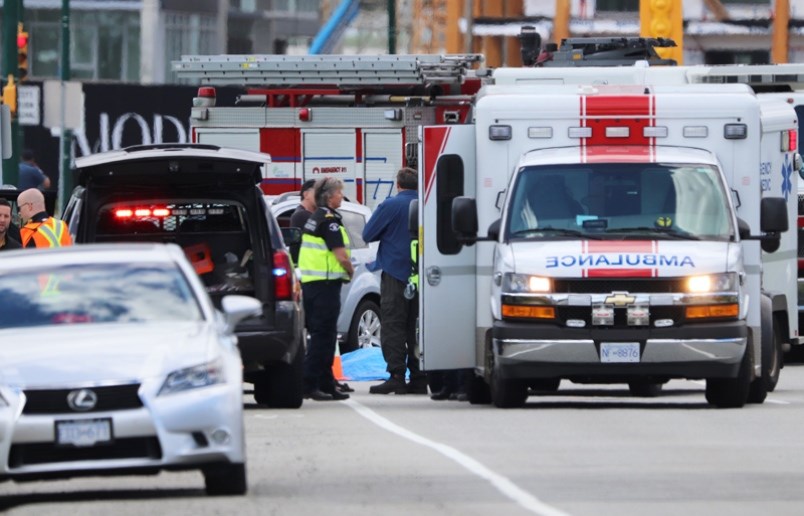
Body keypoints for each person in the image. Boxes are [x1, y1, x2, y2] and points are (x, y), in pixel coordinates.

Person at [363, 167, 427, 395]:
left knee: (393, 325)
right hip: (424, 277)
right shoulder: (427, 204)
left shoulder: (390, 206)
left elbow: (367, 234)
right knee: (417, 327)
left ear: (398, 185)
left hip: (396, 276)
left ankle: (397, 375)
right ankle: (420, 376)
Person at [298, 177, 355, 401]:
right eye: (339, 193)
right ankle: (309, 383)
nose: (342, 196)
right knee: (323, 337)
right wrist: (350, 271)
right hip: (325, 286)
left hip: (314, 285)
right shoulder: (329, 221)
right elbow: (340, 254)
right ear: (330, 196)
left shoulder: (315, 217)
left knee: (323, 336)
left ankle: (326, 383)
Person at [289, 178, 317, 264]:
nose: (321, 196)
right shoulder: (302, 215)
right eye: (318, 193)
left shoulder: (302, 213)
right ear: (306, 194)